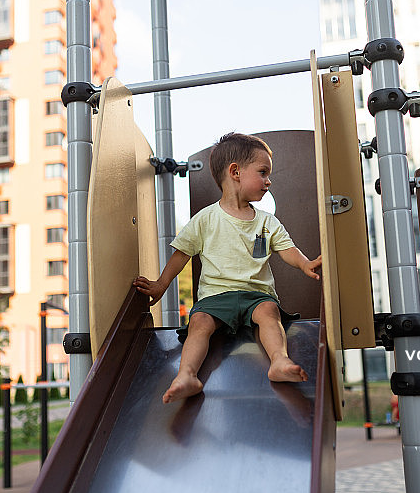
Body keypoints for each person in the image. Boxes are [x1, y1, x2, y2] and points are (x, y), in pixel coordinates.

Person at [134, 132, 322, 404]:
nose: (268, 181)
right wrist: (161, 284)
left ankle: (279, 361)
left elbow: (286, 249)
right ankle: (186, 375)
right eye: (263, 172)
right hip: (215, 297)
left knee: (269, 314)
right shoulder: (206, 219)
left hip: (256, 295)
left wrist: (304, 263)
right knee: (199, 323)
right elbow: (181, 254)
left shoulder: (266, 222)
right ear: (235, 172)